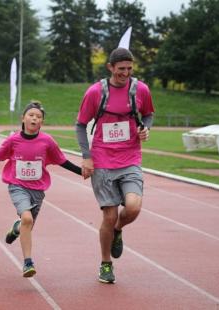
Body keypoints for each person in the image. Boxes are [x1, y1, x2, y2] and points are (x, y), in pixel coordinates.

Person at [75, 48, 155, 284]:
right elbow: (80, 125)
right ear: (110, 67)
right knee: (108, 217)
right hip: (102, 160)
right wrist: (86, 156)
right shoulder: (95, 92)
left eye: (129, 69)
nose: (126, 73)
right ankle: (106, 263)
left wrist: (145, 128)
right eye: (121, 69)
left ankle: (119, 230)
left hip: (130, 157)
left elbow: (148, 114)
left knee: (133, 207)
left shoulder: (140, 89)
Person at [0, 101, 83, 278]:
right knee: (27, 219)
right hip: (17, 186)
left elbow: (61, 160)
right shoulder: (13, 139)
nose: (34, 118)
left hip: (37, 190)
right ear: (23, 118)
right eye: (31, 115)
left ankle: (16, 228)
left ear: (41, 122)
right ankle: (28, 262)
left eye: (38, 117)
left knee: (27, 225)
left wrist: (81, 172)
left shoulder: (47, 141)